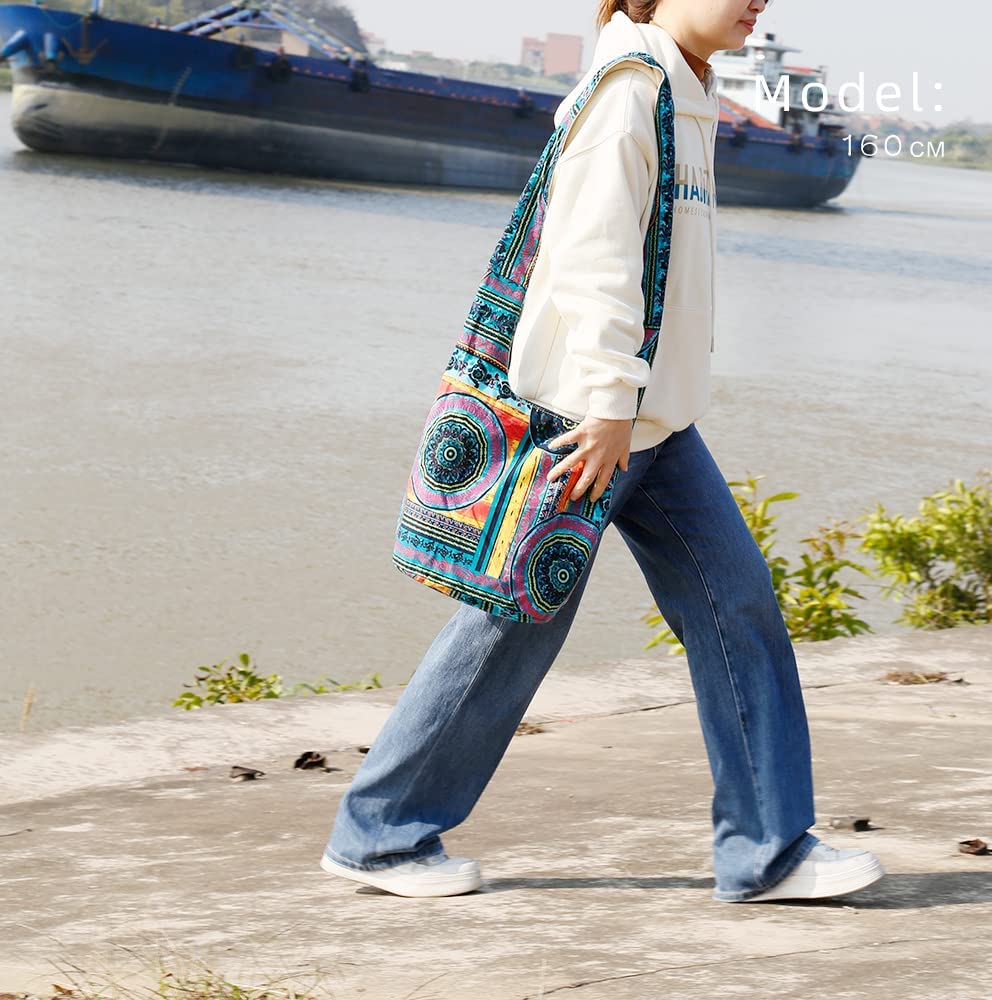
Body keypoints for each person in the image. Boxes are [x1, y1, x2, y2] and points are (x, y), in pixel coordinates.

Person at [319, 0, 885, 903]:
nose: (760, 0)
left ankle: (767, 851)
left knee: (735, 607)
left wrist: (640, 404)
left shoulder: (685, 89)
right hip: (596, 422)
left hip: (656, 424)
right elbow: (593, 260)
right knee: (511, 623)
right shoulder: (630, 89)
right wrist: (613, 403)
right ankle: (377, 836)